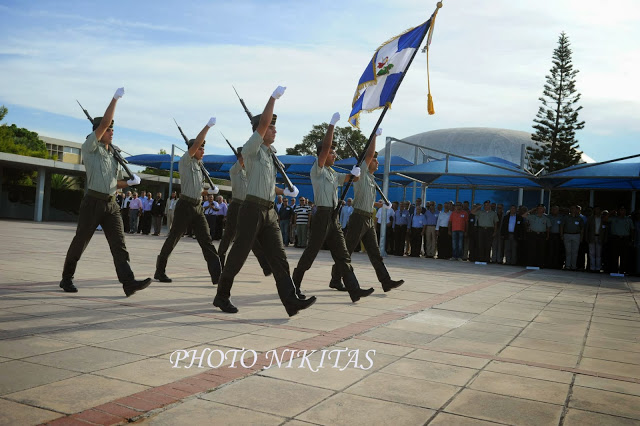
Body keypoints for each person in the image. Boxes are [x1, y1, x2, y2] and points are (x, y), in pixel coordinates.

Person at [213, 86, 316, 316]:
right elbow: (261, 125)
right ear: (260, 130)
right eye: (271, 126)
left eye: (274, 127)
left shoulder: (270, 155)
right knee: (238, 255)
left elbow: (268, 186)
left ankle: (291, 302)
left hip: (269, 211)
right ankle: (221, 296)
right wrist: (272, 99)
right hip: (251, 209)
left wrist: (285, 192)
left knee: (279, 259)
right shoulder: (252, 149)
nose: (275, 130)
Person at [59, 87, 150, 296]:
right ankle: (67, 278)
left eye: (112, 130)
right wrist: (115, 99)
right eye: (109, 129)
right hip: (92, 202)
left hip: (111, 204)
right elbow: (104, 122)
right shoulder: (90, 147)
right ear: (99, 131)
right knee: (80, 242)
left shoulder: (113, 155)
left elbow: (114, 182)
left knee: (119, 245)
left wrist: (129, 183)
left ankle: (128, 283)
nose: (111, 131)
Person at [293, 112, 374, 302]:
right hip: (321, 215)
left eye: (334, 152)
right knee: (311, 253)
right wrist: (331, 125)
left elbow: (350, 179)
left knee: (343, 254)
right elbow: (325, 147)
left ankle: (354, 289)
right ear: (323, 154)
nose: (334, 154)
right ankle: (294, 284)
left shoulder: (332, 173)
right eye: (332, 152)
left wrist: (356, 173)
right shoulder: (318, 170)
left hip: (334, 217)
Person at [329, 129, 404, 292]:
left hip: (368, 218)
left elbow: (368, 201)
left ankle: (386, 281)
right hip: (358, 218)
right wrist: (374, 136)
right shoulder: (361, 173)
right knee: (347, 251)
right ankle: (335, 279)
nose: (377, 163)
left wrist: (382, 205)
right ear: (367, 162)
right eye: (375, 160)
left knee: (375, 253)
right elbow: (369, 154)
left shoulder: (371, 178)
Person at [154, 117, 222, 286]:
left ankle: (217, 275)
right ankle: (160, 270)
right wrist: (207, 126)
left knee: (206, 240)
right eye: (201, 148)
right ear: (193, 149)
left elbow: (198, 190)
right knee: (174, 237)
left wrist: (209, 192)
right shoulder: (185, 161)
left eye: (204, 149)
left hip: (198, 206)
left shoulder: (199, 167)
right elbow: (197, 142)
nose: (203, 151)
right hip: (184, 206)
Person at [217, 147, 272, 276]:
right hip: (236, 205)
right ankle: (219, 263)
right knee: (228, 236)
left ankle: (265, 266)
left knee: (252, 237)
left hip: (248, 206)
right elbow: (242, 160)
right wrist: (245, 153)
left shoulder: (250, 172)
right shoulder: (235, 170)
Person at [608, 205, 634, 274]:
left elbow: (632, 230)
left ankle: (622, 271)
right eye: (621, 210)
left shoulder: (629, 219)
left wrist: (631, 239)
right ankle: (614, 270)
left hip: (625, 239)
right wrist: (611, 213)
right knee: (614, 255)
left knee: (624, 256)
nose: (623, 211)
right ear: (618, 211)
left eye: (624, 210)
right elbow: (604, 219)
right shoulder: (613, 218)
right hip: (615, 238)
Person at [561, 205, 584, 271]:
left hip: (576, 235)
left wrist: (581, 237)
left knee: (575, 252)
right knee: (568, 252)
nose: (573, 210)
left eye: (575, 209)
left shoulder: (579, 218)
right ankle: (567, 266)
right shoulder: (566, 217)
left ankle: (573, 266)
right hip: (567, 235)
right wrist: (561, 235)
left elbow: (582, 229)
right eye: (572, 208)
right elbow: (562, 226)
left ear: (577, 210)